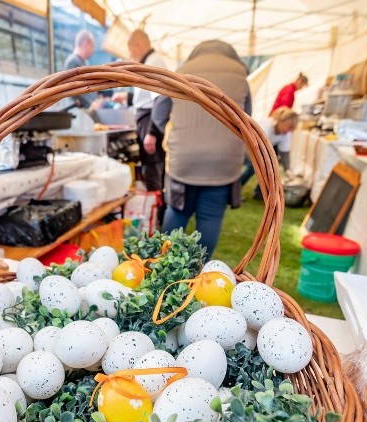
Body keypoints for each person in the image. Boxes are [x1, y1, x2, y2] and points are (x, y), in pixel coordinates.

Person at [149, 40, 251, 261]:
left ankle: (163, 264)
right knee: (211, 217)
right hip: (222, 162)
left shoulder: (181, 73)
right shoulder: (241, 77)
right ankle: (198, 270)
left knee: (177, 211)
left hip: (184, 160)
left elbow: (158, 116)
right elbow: (247, 122)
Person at [111, 29, 168, 207]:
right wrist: (127, 98)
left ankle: (156, 212)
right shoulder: (148, 63)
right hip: (147, 120)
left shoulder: (154, 62)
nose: (131, 55)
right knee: (151, 169)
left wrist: (152, 132)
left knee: (153, 170)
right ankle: (154, 210)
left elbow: (161, 99)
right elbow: (145, 98)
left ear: (138, 45)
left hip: (151, 122)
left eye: (131, 49)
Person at [241, 107, 300, 196]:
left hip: (262, 148)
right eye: (288, 127)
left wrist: (287, 168)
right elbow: (251, 144)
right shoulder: (265, 126)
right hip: (247, 145)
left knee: (271, 169)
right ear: (280, 121)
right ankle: (235, 191)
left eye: (292, 129)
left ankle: (259, 193)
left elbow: (284, 153)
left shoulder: (285, 134)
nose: (289, 131)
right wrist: (260, 162)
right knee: (252, 169)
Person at [62, 30, 98, 110]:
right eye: (92, 46)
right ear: (85, 43)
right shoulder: (73, 62)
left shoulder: (80, 62)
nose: (93, 50)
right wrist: (89, 104)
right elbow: (70, 88)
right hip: (78, 110)